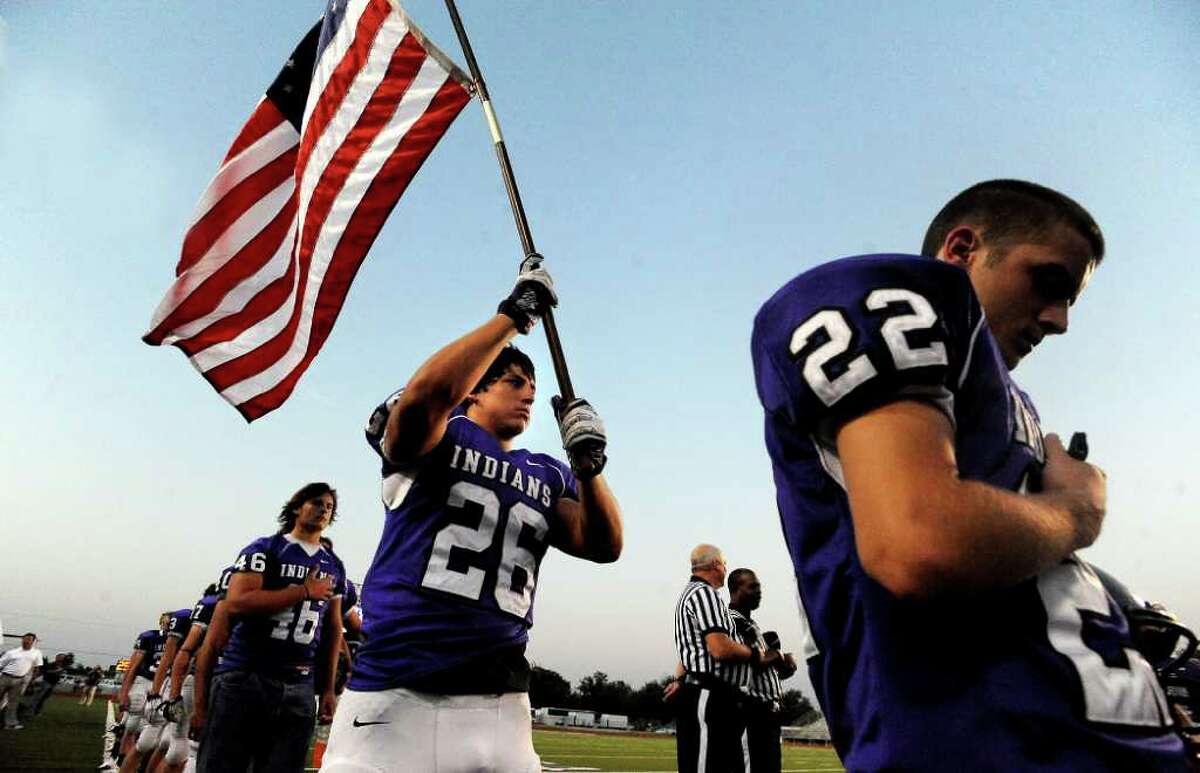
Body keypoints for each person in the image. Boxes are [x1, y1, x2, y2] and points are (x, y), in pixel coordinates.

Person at [750, 179, 1188, 769]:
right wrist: (1077, 511)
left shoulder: (1004, 406)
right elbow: (920, 541)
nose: (1058, 320)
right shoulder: (897, 296)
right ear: (962, 251)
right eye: (1049, 282)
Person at [321, 257, 623, 772]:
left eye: (532, 383)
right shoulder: (442, 431)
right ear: (476, 388)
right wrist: (512, 316)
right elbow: (422, 401)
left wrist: (590, 468)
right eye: (513, 380)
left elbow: (604, 545)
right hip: (398, 695)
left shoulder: (547, 472)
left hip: (503, 704)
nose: (530, 392)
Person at [196, 482, 346, 773]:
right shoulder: (266, 549)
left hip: (300, 683)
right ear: (296, 507)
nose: (323, 510)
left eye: (329, 507)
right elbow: (238, 602)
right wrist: (303, 591)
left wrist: (327, 688)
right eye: (316, 502)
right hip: (248, 676)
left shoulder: (334, 565)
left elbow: (332, 629)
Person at [671, 545, 772, 773]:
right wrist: (755, 654)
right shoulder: (703, 594)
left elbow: (695, 647)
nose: (726, 569)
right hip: (708, 693)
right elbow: (719, 648)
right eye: (724, 564)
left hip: (718, 696)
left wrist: (677, 679)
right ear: (716, 564)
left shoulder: (698, 594)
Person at [727, 568, 796, 773]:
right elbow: (748, 659)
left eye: (759, 587)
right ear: (736, 589)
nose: (759, 591)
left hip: (769, 713)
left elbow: (771, 665)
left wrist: (783, 664)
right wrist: (777, 655)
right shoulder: (732, 619)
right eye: (753, 586)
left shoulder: (750, 623)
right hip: (753, 712)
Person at [116, 614, 170, 766]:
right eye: (166, 623)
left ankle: (138, 758)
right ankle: (122, 754)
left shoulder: (178, 639)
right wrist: (124, 692)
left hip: (162, 683)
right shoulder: (149, 637)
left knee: (150, 724)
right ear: (161, 623)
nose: (168, 626)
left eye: (170, 623)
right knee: (133, 723)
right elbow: (133, 666)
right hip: (144, 679)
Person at [0, 632, 43, 729]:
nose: (26, 641)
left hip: (20, 680)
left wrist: (31, 681)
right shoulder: (12, 652)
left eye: (29, 639)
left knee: (13, 703)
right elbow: (0, 664)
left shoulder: (37, 653)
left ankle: (10, 723)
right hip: (5, 677)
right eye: (25, 639)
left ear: (33, 642)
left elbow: (37, 668)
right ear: (22, 640)